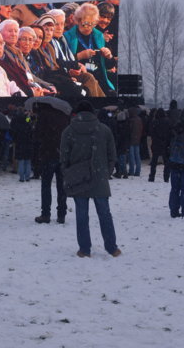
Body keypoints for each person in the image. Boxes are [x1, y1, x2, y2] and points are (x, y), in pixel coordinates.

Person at [60, 101, 120, 258]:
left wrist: (68, 172)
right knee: (104, 214)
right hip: (99, 177)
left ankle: (84, 249)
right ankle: (112, 247)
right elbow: (112, 154)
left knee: (81, 215)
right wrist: (106, 172)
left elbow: (64, 156)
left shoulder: (69, 131)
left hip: (78, 177)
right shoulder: (104, 129)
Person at [63, 3, 116, 96]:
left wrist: (109, 56)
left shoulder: (99, 35)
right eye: (86, 23)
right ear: (78, 20)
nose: (89, 27)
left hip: (100, 79)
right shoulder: (67, 37)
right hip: (82, 78)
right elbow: (63, 62)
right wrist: (79, 56)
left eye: (92, 24)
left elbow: (110, 66)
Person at [32, 104, 70, 223]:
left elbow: (37, 136)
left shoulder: (43, 116)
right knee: (61, 186)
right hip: (62, 154)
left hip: (48, 154)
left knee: (46, 186)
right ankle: (61, 214)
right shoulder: (63, 116)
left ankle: (46, 214)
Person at [148, 108, 172, 182]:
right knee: (166, 162)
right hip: (165, 144)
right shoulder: (168, 121)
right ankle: (166, 177)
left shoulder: (154, 122)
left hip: (156, 144)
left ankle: (152, 176)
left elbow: (151, 132)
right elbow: (170, 133)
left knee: (154, 161)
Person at [127, 106, 143, 176]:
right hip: (137, 140)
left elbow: (129, 131)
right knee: (137, 156)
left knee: (131, 157)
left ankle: (131, 171)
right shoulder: (139, 120)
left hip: (131, 140)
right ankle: (138, 171)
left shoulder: (131, 120)